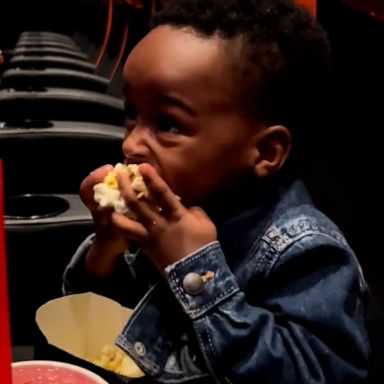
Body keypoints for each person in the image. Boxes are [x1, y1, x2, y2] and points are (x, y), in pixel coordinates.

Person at [62, 0, 370, 382]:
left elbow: (320, 374)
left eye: (168, 124)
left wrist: (194, 269)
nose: (132, 145)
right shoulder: (165, 207)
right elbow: (94, 338)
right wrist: (105, 251)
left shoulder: (307, 253)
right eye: (131, 114)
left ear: (264, 152)